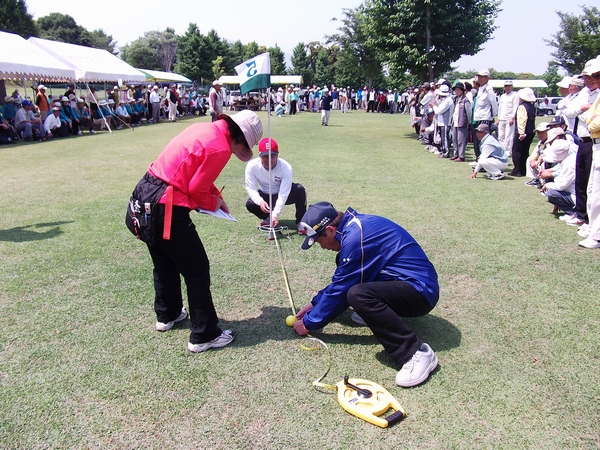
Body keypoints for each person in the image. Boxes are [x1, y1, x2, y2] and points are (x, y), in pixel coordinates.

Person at [127, 110, 263, 352]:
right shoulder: (220, 147)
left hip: (146, 195)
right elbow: (196, 188)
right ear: (240, 138)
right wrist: (213, 204)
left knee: (164, 261)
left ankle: (167, 314)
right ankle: (205, 334)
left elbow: (197, 171)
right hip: (167, 205)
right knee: (197, 269)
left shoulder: (203, 130)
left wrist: (216, 197)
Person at [293, 202, 439, 388]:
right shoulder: (354, 228)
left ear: (330, 230)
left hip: (420, 291)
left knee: (357, 295)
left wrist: (308, 322)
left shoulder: (356, 238)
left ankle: (415, 352)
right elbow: (343, 279)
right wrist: (314, 304)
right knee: (349, 273)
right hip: (407, 283)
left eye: (319, 240)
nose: (321, 247)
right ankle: (377, 313)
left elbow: (342, 290)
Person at [244, 138, 307, 234]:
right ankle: (268, 219)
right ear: (259, 155)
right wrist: (260, 201)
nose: (269, 159)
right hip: (266, 195)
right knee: (250, 203)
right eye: (265, 156)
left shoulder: (285, 167)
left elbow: (283, 193)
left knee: (300, 190)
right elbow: (250, 188)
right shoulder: (252, 166)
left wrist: (275, 214)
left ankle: (300, 222)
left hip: (282, 193)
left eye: (272, 155)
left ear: (277, 155)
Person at [509, 88, 537, 177]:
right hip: (531, 131)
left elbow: (522, 120)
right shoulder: (532, 107)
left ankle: (517, 170)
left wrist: (521, 133)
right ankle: (523, 169)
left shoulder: (522, 106)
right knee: (525, 151)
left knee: (516, 151)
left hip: (523, 132)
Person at [471, 69, 498, 160]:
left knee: (484, 141)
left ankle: (483, 161)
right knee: (476, 141)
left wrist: (493, 116)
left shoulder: (488, 90)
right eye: (478, 76)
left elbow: (493, 103)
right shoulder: (480, 89)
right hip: (478, 118)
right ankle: (478, 159)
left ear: (487, 78)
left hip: (485, 118)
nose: (479, 78)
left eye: (482, 76)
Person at [496, 81, 520, 157]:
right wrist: (499, 118)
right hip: (502, 118)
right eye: (506, 86)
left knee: (508, 136)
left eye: (509, 86)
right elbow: (500, 108)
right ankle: (502, 150)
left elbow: (516, 106)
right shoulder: (502, 96)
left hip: (509, 118)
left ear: (512, 86)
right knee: (501, 136)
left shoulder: (515, 95)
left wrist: (513, 117)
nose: (507, 87)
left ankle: (508, 151)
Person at [450, 82, 472, 162]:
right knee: (454, 139)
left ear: (463, 90)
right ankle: (456, 154)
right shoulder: (456, 99)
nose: (456, 91)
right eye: (455, 90)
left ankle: (461, 156)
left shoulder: (465, 100)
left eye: (458, 89)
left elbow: (469, 112)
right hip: (455, 122)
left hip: (462, 122)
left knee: (461, 140)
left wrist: (469, 122)